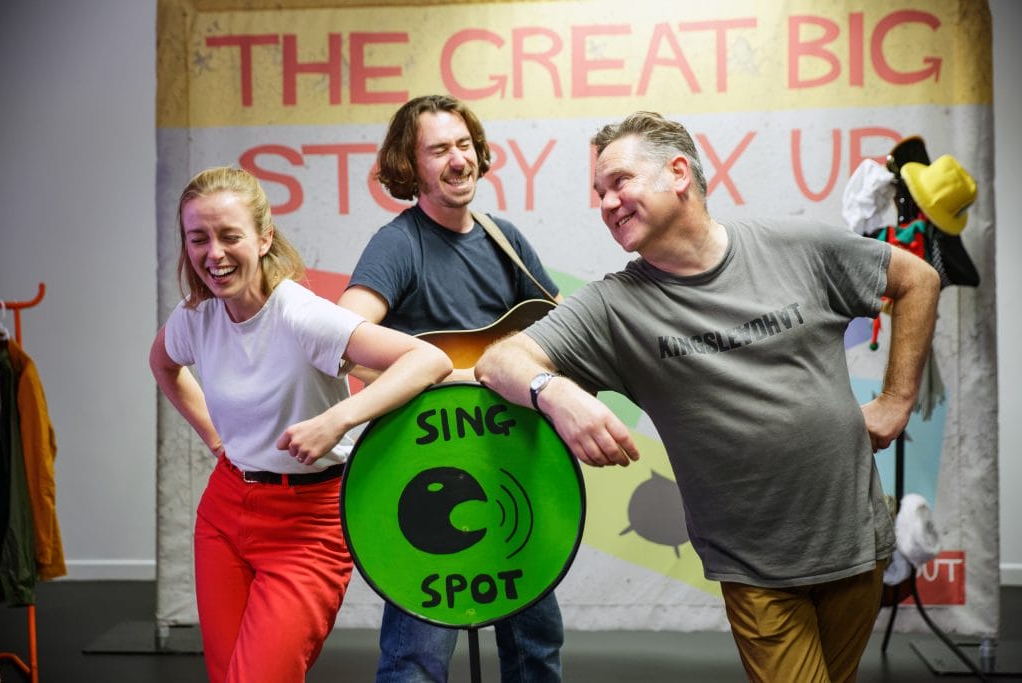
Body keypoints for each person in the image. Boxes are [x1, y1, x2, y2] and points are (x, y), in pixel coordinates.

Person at [475, 112, 941, 682]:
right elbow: (500, 360)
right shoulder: (616, 306)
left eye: (618, 181)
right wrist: (555, 394)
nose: (605, 202)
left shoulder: (796, 245)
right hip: (757, 569)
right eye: (598, 192)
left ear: (677, 173)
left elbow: (918, 279)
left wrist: (896, 399)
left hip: (857, 542)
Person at [149, 166, 452, 683]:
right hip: (224, 514)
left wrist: (336, 420)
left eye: (229, 236)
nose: (213, 254)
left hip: (308, 523)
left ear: (264, 238)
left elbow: (428, 361)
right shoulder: (195, 315)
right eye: (198, 238)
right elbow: (164, 366)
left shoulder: (300, 315)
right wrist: (216, 438)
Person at [338, 94, 565, 683]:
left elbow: (566, 328)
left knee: (536, 644)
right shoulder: (399, 244)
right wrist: (444, 380)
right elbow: (343, 339)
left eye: (464, 145)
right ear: (410, 167)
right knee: (418, 654)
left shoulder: (504, 237)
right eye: (439, 149)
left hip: (510, 466)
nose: (458, 159)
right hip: (427, 477)